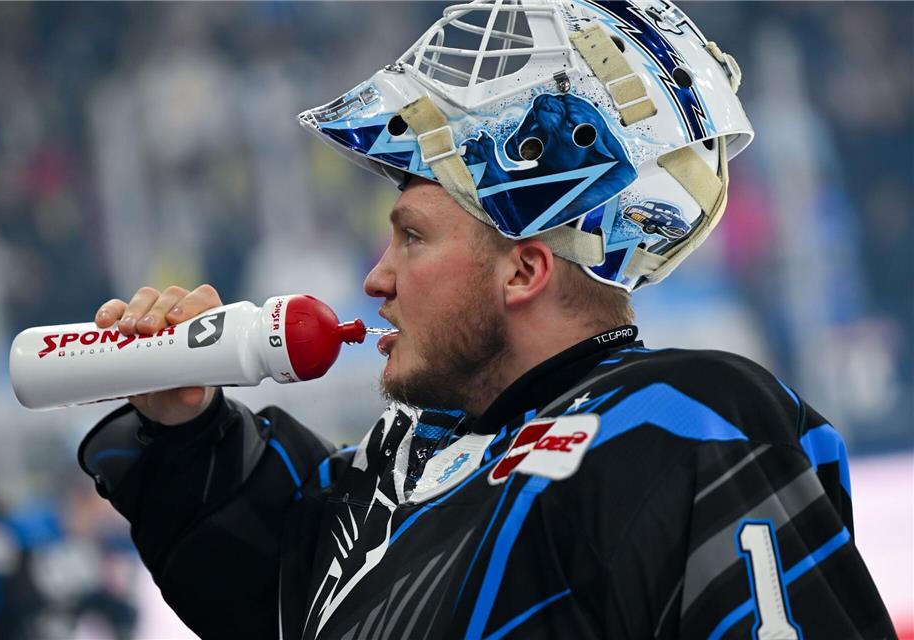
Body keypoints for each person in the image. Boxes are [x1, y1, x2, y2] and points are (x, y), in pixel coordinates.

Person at [79, 1, 896, 638]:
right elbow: (275, 574)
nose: (376, 278)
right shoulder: (407, 463)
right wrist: (184, 429)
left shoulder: (686, 421)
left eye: (412, 237)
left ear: (526, 268)